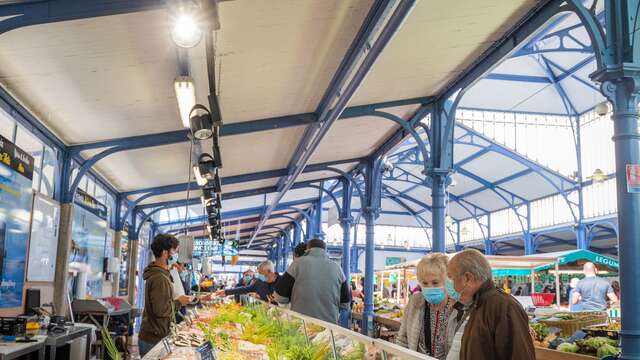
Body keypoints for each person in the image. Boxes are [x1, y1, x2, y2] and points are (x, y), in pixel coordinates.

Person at [447, 249, 535, 360]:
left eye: (450, 277)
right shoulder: (475, 304)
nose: (448, 284)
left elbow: (520, 355)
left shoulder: (504, 307)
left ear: (467, 278)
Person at [396, 254, 460, 359]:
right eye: (425, 283)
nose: (430, 287)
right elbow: (402, 340)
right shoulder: (414, 303)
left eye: (435, 282)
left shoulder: (458, 308)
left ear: (448, 281)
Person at [139, 234, 192, 357]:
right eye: (174, 251)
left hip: (155, 335)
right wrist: (180, 302)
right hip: (153, 339)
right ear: (164, 253)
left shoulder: (161, 274)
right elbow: (161, 310)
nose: (176, 255)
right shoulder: (160, 278)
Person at [275, 239, 351, 323]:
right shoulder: (337, 268)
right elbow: (345, 303)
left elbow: (280, 297)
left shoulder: (297, 264)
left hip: (301, 324)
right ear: (325, 250)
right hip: (329, 327)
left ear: (307, 250)